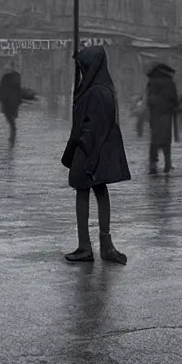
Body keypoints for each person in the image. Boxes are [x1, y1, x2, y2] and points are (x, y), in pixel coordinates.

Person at [62, 45, 129, 264]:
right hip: (94, 149)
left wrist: (83, 148)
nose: (81, 71)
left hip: (90, 149)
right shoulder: (98, 87)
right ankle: (101, 245)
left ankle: (88, 246)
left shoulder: (98, 90)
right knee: (97, 190)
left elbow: (94, 125)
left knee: (85, 191)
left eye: (84, 66)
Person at [145, 63, 179, 174]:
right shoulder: (169, 82)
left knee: (154, 140)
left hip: (155, 115)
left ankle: (153, 164)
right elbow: (174, 98)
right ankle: (167, 164)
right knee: (166, 140)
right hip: (166, 114)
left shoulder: (151, 82)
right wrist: (176, 107)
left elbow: (149, 99)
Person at [0, 70, 37, 145]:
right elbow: (3, 95)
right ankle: (12, 140)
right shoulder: (7, 85)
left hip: (12, 105)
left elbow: (20, 94)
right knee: (12, 123)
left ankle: (12, 139)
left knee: (12, 122)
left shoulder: (14, 86)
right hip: (8, 105)